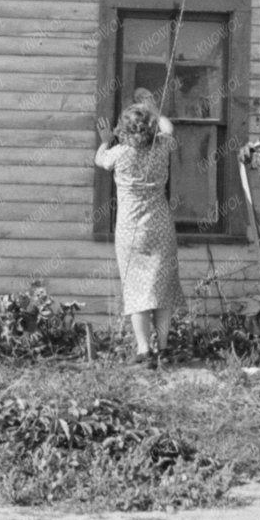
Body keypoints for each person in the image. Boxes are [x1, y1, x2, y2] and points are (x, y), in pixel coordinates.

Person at [93, 91, 184, 366]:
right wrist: (154, 109)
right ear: (150, 127)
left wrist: (106, 141)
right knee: (162, 289)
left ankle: (144, 350)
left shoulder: (119, 153)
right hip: (160, 227)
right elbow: (169, 129)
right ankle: (165, 349)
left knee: (137, 291)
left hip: (131, 231)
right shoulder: (161, 149)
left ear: (125, 129)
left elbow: (100, 160)